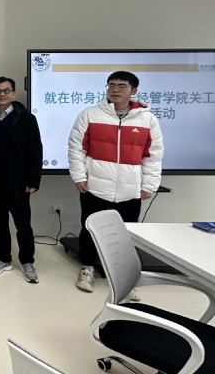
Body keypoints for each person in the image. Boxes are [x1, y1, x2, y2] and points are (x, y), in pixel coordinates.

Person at [69, 71, 163, 294]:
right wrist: (79, 176)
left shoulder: (148, 120)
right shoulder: (90, 114)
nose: (115, 90)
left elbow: (152, 156)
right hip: (95, 187)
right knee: (90, 229)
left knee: (125, 233)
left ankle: (124, 277)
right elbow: (76, 148)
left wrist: (149, 185)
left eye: (122, 86)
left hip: (130, 189)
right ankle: (88, 267)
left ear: (133, 91)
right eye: (111, 85)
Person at [0, 77, 43, 284]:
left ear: (13, 94)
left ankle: (27, 262)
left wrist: (33, 179)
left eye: (6, 90)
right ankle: (4, 258)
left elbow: (35, 149)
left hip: (18, 181)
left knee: (23, 225)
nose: (2, 94)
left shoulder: (26, 118)